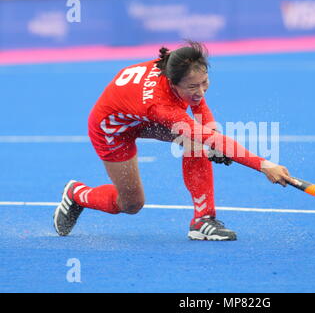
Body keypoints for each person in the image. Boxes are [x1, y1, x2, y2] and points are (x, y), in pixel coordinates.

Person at [53, 41, 294, 241]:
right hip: (112, 129)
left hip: (139, 114)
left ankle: (202, 220)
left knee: (196, 142)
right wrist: (264, 165)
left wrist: (210, 141)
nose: (200, 91)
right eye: (192, 86)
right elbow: (204, 134)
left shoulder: (181, 64)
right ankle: (77, 194)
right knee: (131, 204)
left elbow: (202, 115)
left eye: (204, 82)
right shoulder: (161, 105)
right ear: (172, 82)